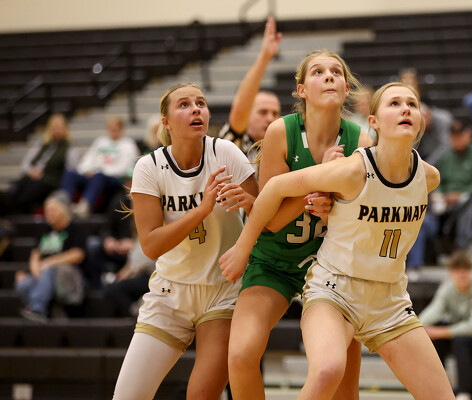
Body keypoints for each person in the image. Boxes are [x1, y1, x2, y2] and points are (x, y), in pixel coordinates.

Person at [221, 82, 455, 400]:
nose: (405, 109)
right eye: (395, 103)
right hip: (336, 293)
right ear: (373, 122)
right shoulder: (352, 169)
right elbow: (275, 187)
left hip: (389, 300)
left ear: (420, 120)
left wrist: (330, 212)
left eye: (412, 104)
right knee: (328, 371)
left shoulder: (429, 177)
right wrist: (242, 247)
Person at [225, 49, 372, 400]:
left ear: (346, 88)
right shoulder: (281, 131)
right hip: (275, 260)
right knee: (241, 356)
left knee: (344, 391)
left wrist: (331, 208)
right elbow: (272, 219)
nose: (329, 76)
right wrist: (320, 177)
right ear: (302, 90)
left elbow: (359, 222)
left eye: (336, 72)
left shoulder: (361, 142)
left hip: (332, 267)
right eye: (318, 71)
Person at [112, 83, 258, 400]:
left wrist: (249, 202)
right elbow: (151, 245)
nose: (196, 109)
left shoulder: (226, 153)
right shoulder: (149, 167)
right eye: (184, 104)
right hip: (169, 293)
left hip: (223, 291)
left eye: (201, 103)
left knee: (200, 396)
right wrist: (201, 209)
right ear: (165, 122)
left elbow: (263, 217)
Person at [419, 250, 472, 400]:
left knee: (459, 340)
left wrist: (439, 332)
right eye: (457, 270)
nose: (462, 274)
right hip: (458, 332)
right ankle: (435, 389)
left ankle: (464, 393)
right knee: (435, 338)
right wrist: (418, 327)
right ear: (451, 273)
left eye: (465, 270)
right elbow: (434, 310)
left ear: (471, 271)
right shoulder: (447, 288)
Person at [14, 191, 87, 322]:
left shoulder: (75, 229)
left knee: (49, 271)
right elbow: (35, 256)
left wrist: (49, 263)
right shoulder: (44, 230)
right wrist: (36, 271)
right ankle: (49, 311)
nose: (48, 213)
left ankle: (38, 310)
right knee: (23, 284)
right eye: (46, 210)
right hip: (44, 274)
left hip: (70, 276)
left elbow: (77, 255)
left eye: (52, 210)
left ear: (64, 211)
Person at [219, 16, 282, 164]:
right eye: (263, 112)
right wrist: (265, 57)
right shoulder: (235, 143)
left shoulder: (285, 146)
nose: (270, 118)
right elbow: (239, 112)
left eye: (275, 113)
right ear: (247, 116)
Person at [61, 115, 140, 218]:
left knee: (98, 177)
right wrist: (86, 170)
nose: (113, 132)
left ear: (121, 129)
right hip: (93, 174)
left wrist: (100, 171)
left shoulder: (128, 145)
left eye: (115, 129)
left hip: (114, 179)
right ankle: (66, 205)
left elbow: (124, 167)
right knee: (70, 173)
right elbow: (88, 159)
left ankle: (85, 206)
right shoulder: (100, 142)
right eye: (111, 129)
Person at [0, 113, 78, 215]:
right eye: (54, 128)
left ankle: (12, 211)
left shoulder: (69, 148)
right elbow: (26, 162)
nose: (56, 131)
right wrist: (31, 171)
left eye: (59, 128)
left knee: (29, 193)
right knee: (15, 188)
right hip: (32, 178)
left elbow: (71, 170)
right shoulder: (42, 144)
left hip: (49, 182)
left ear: (65, 129)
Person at [436, 120, 472, 250]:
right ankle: (437, 248)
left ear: (468, 135)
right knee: (428, 203)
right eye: (454, 137)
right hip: (447, 197)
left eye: (460, 136)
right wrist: (439, 193)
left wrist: (461, 195)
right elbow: (438, 179)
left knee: (467, 204)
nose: (457, 140)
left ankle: (462, 245)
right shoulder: (446, 156)